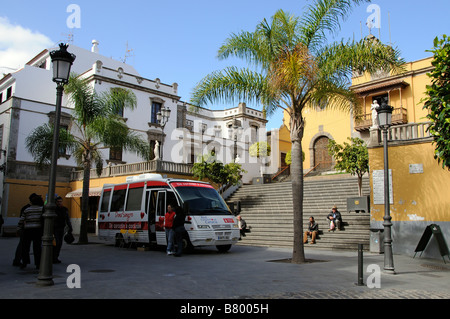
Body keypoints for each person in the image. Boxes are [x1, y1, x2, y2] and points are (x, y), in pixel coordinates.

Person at [20, 194, 44, 269]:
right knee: (37, 247)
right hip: (38, 230)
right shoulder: (42, 209)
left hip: (28, 230)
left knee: (25, 247)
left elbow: (21, 220)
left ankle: (25, 262)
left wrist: (19, 229)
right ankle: (38, 263)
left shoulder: (27, 210)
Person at [13, 193, 38, 267]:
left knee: (23, 246)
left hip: (26, 229)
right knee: (24, 246)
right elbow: (22, 219)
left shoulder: (25, 208)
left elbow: (21, 219)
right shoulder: (28, 208)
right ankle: (20, 260)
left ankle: (21, 261)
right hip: (28, 230)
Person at [53, 196, 73, 263]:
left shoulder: (64, 209)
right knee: (56, 243)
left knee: (59, 243)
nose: (59, 203)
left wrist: (70, 227)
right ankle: (54, 257)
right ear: (56, 202)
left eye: (60, 201)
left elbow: (67, 218)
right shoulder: (54, 209)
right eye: (58, 202)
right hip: (54, 228)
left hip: (61, 228)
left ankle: (56, 257)